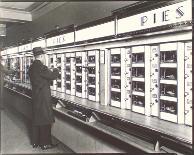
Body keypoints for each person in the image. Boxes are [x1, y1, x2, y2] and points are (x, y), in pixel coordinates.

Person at [28, 47, 59, 150]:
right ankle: (45, 144)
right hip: (43, 98)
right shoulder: (41, 67)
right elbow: (53, 76)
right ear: (41, 56)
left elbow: (40, 78)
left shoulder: (31, 67)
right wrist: (56, 68)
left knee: (37, 120)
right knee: (46, 120)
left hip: (36, 97)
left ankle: (35, 142)